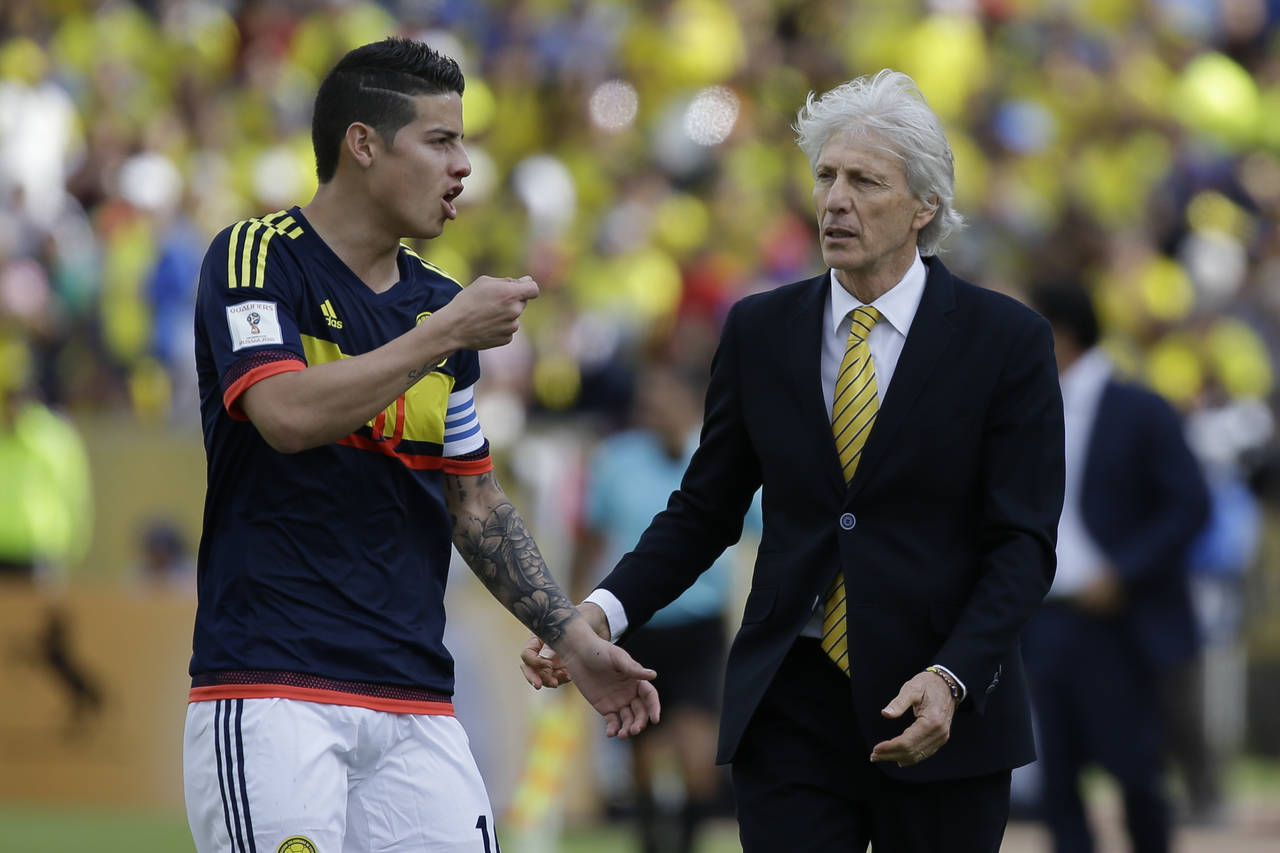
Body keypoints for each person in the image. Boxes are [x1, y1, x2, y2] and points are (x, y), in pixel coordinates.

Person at [525, 69, 1065, 852]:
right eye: (826, 176)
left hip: (939, 708)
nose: (835, 199)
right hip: (790, 702)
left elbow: (1022, 543)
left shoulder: (1007, 342)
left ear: (924, 207)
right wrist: (598, 613)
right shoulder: (759, 330)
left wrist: (953, 677)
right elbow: (704, 508)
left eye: (864, 181)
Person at [184, 37, 658, 853]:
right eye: (441, 140)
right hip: (273, 688)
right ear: (362, 144)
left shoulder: (439, 305)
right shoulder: (256, 258)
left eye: (463, 141)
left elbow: (473, 500)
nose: (464, 165)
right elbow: (284, 414)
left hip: (415, 703)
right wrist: (438, 336)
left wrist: (576, 637)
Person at [1021, 280, 1210, 853]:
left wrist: (1123, 572)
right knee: (1055, 780)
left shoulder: (1140, 408)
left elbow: (1189, 505)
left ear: (1062, 333)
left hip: (1119, 621)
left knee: (1135, 772)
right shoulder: (1025, 410)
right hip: (1044, 617)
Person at [572, 360, 749, 853]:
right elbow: (589, 537)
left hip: (699, 629)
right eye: (647, 402)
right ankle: (652, 844)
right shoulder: (615, 460)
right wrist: (572, 613)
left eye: (665, 400)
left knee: (697, 761)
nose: (655, 411)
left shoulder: (715, 458)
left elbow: (762, 522)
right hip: (638, 631)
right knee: (645, 762)